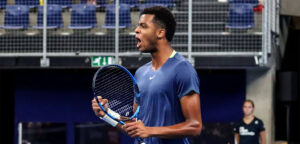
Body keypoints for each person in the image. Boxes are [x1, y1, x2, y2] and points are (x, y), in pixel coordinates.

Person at [92, 6, 202, 144]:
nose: (137, 30)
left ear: (160, 32)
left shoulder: (182, 69)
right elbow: (135, 125)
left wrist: (150, 131)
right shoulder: (140, 73)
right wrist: (106, 114)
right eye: (138, 26)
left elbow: (195, 126)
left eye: (143, 26)